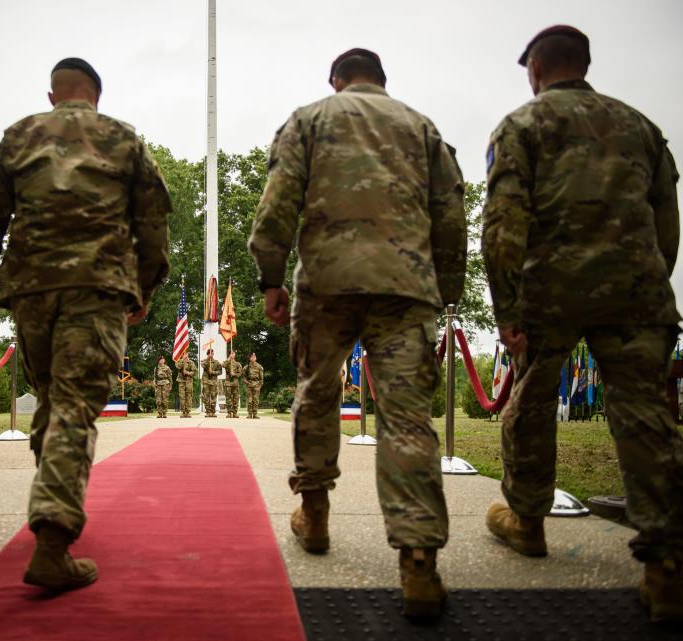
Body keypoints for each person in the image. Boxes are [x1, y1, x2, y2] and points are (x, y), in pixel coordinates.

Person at [482, 25, 683, 623]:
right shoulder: (641, 128)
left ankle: (526, 520)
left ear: (536, 70)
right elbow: (667, 219)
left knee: (531, 400)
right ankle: (667, 568)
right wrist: (648, 278)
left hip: (551, 290)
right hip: (633, 289)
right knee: (649, 419)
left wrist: (508, 308)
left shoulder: (523, 126)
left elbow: (502, 221)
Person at [248, 48, 466, 619]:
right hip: (405, 286)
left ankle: (314, 514)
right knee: (407, 418)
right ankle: (418, 562)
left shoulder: (310, 120)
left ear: (336, 81)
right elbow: (451, 215)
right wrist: (445, 288)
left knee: (317, 394)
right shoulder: (422, 128)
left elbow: (277, 205)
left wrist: (271, 278)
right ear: (383, 82)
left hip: (326, 283)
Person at [0, 57, 171, 594]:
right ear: (95, 96)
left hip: (30, 290)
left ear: (53, 95)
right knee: (75, 405)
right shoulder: (121, 138)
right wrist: (142, 291)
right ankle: (53, 539)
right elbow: (153, 225)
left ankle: (52, 505)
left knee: (53, 398)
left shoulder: (20, 136)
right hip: (95, 288)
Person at [201, 348, 223, 417]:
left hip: (213, 382)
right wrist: (208, 359)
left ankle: (213, 411)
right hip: (206, 381)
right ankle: (208, 411)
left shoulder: (216, 362)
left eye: (212, 353)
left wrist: (213, 372)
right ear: (207, 354)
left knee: (213, 397)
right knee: (206, 397)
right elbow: (203, 366)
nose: (211, 354)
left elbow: (220, 372)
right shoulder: (204, 361)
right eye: (210, 353)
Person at [175, 352, 197, 417]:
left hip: (189, 381)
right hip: (181, 381)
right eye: (184, 354)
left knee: (189, 396)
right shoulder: (179, 361)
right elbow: (178, 367)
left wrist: (187, 372)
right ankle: (183, 412)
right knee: (182, 396)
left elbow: (194, 372)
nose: (185, 355)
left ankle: (188, 412)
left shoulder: (191, 362)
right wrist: (183, 360)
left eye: (186, 354)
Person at [243, 353, 264, 418]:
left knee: (256, 400)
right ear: (250, 358)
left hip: (256, 385)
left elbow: (261, 378)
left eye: (254, 356)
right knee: (249, 400)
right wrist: (247, 383)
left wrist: (259, 386)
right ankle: (249, 414)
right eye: (252, 356)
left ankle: (255, 414)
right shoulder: (246, 367)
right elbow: (244, 377)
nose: (253, 358)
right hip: (249, 385)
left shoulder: (259, 366)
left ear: (256, 358)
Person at [223, 351, 243, 418]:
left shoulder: (237, 364)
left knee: (235, 398)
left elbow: (240, 373)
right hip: (228, 383)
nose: (232, 355)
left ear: (235, 355)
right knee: (228, 398)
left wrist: (234, 374)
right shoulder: (227, 362)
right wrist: (229, 358)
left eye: (233, 354)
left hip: (235, 383)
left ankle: (235, 413)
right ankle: (229, 412)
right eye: (231, 353)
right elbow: (223, 365)